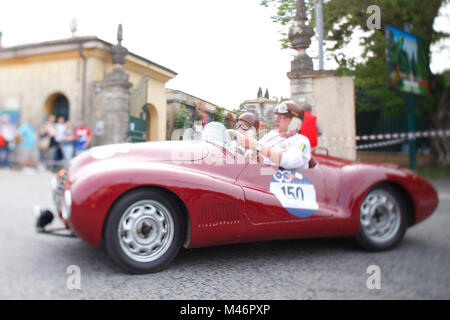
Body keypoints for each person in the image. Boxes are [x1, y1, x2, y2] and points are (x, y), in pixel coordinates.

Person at [238, 101, 311, 170]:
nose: (276, 119)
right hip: (262, 176)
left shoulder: (301, 140)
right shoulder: (272, 134)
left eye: (282, 117)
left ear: (295, 122)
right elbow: (252, 150)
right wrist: (253, 155)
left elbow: (290, 162)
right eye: (276, 116)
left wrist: (257, 146)